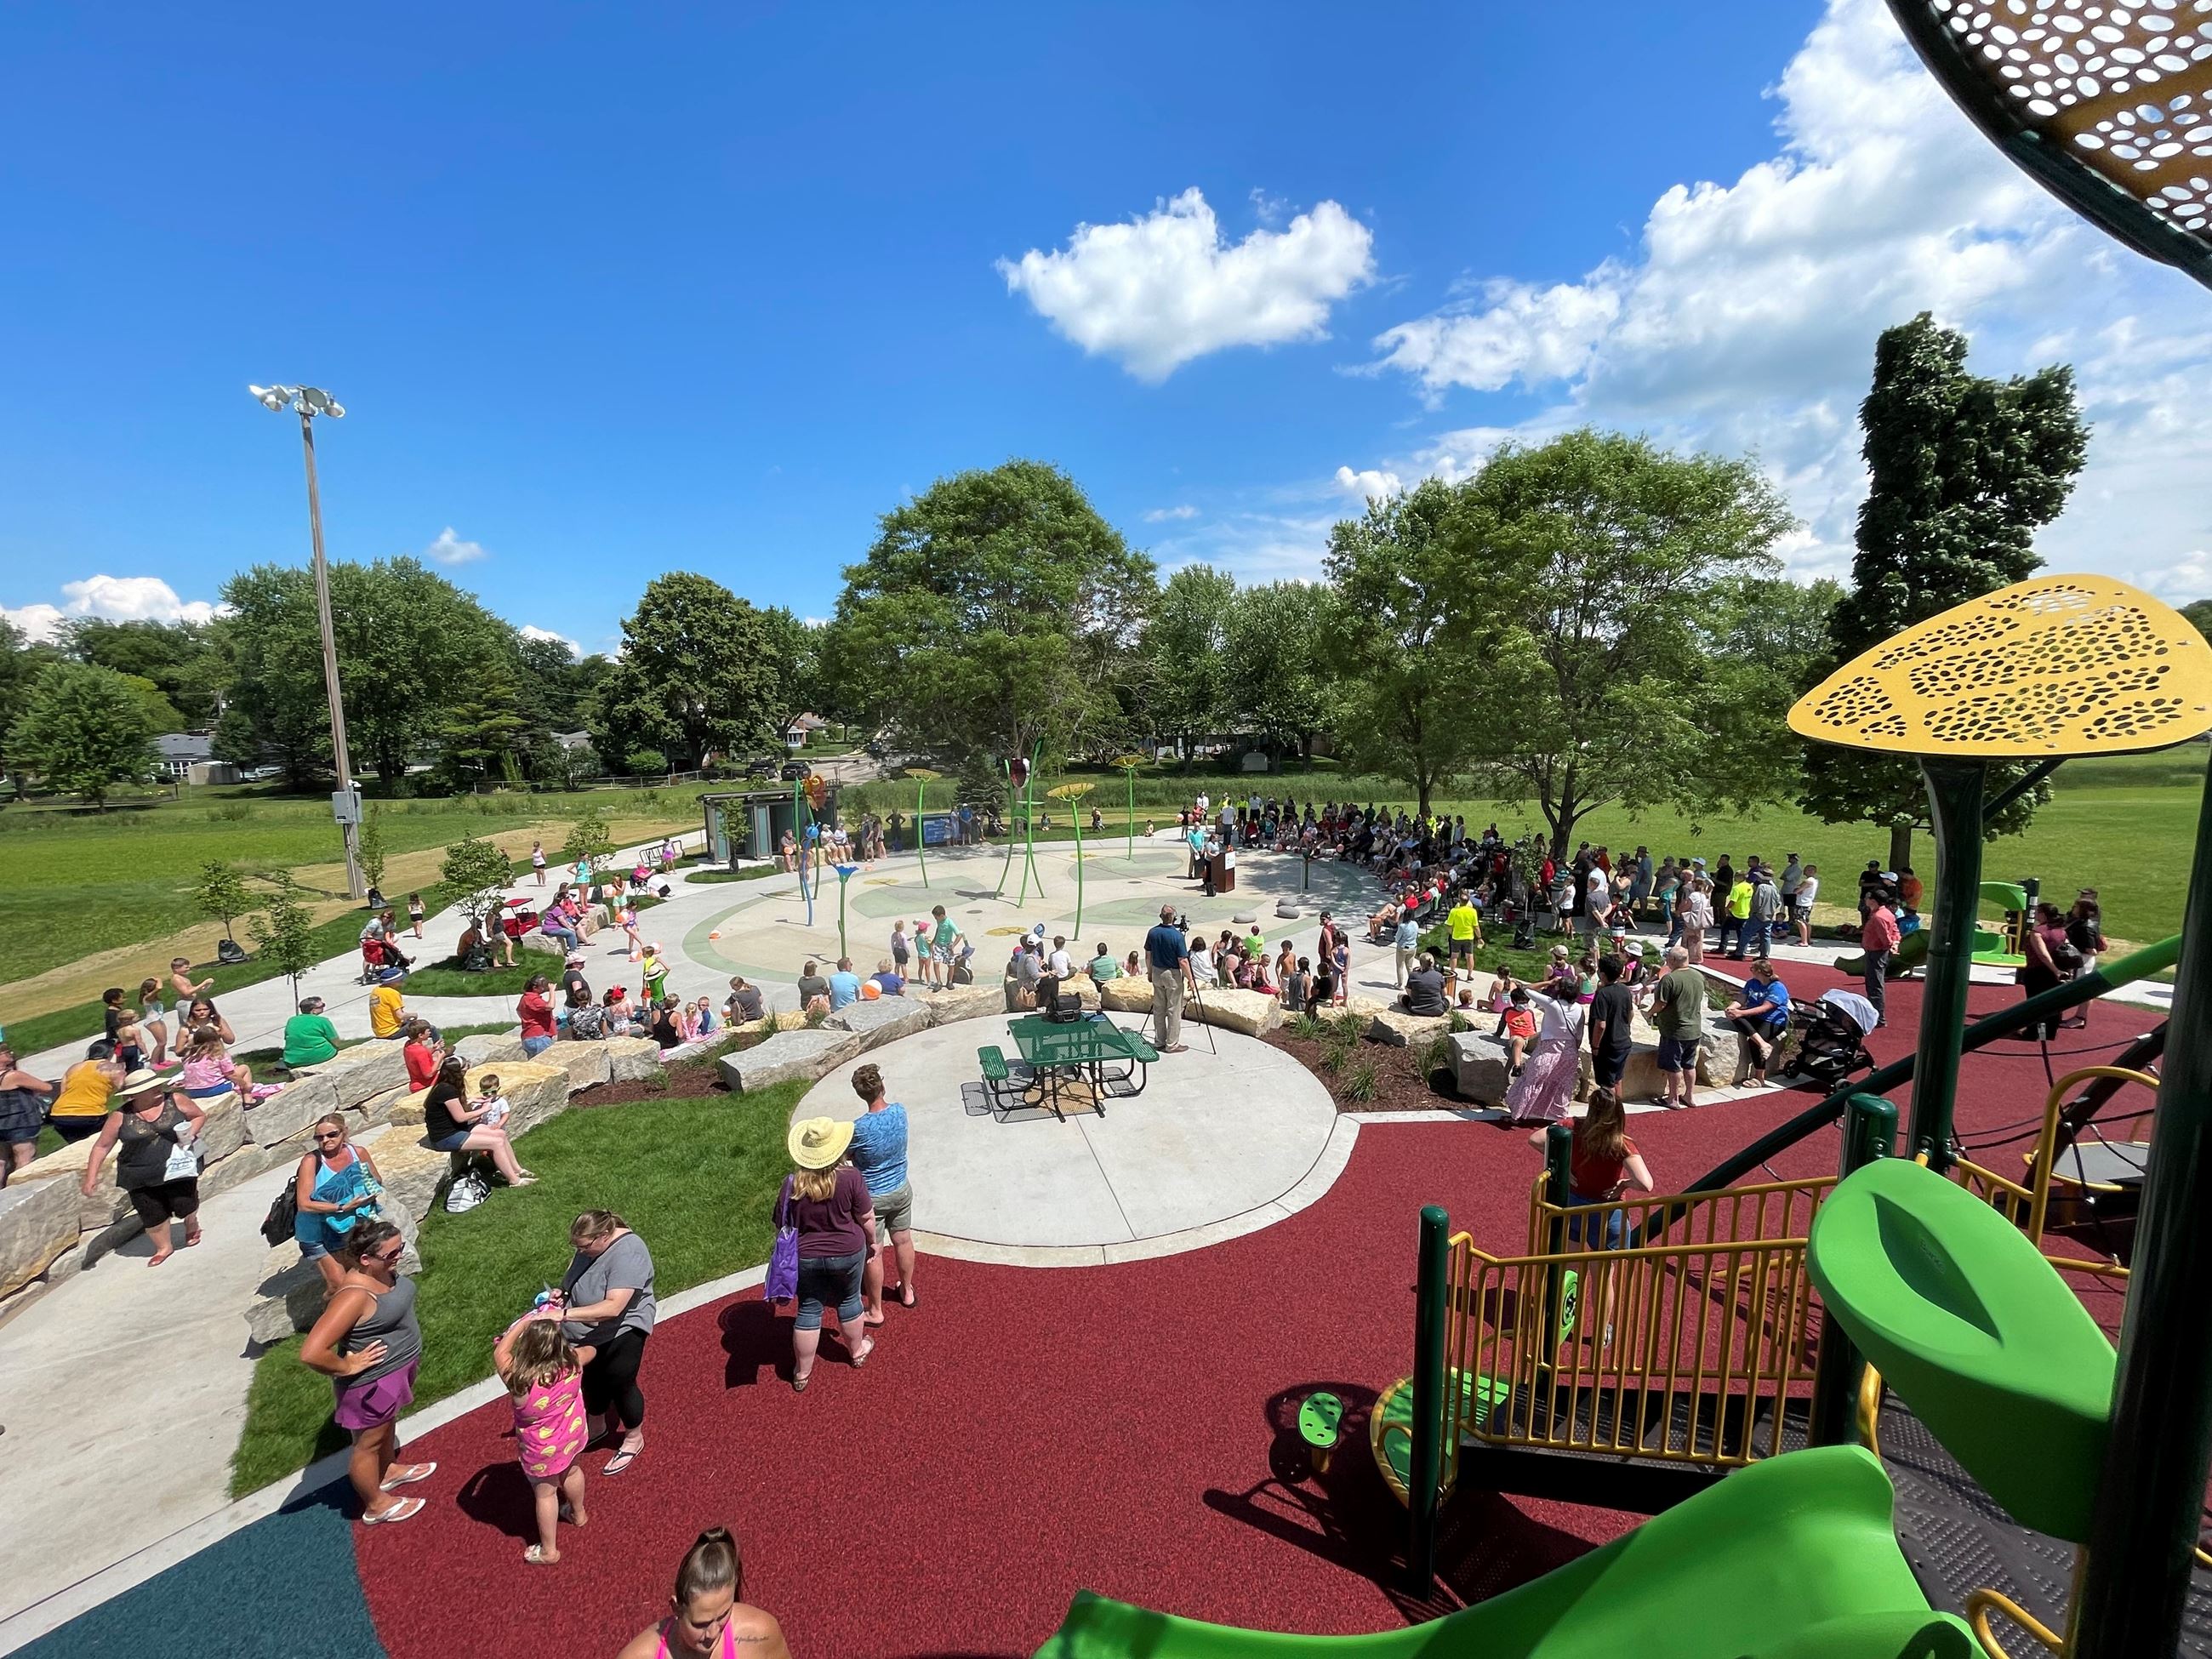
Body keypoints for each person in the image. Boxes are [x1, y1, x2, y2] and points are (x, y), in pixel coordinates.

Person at [298, 1219, 433, 1524]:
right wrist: (348, 1365)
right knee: (367, 1445)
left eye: (400, 1248)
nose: (399, 1256)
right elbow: (311, 1352)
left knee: (385, 1429)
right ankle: (375, 1505)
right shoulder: (354, 1295)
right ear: (365, 1259)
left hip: (395, 1371)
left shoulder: (382, 1273)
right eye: (391, 1254)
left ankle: (388, 1471)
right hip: (372, 1383)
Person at [780, 1117, 879, 1390]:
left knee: (809, 1309)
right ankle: (856, 1351)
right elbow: (867, 1216)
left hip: (806, 1257)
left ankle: (802, 1373)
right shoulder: (851, 1178)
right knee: (849, 1300)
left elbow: (781, 1223)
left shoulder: (791, 1185)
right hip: (848, 1251)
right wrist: (874, 1243)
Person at [560, 1209, 656, 1475]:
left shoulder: (629, 1253)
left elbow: (614, 1307)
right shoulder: (589, 1247)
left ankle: (634, 1438)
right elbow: (573, 1276)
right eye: (576, 1246)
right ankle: (597, 1425)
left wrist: (564, 1314)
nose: (580, 1251)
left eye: (584, 1246)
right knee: (589, 1377)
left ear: (604, 1235)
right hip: (585, 1330)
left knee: (620, 1382)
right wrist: (562, 1293)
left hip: (621, 1329)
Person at [491, 1313, 590, 1565]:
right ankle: (578, 1514)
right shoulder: (574, 1363)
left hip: (541, 1450)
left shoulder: (519, 1380)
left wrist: (524, 1323)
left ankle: (549, 1551)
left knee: (545, 1494)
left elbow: (501, 1351)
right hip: (572, 1435)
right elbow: (591, 1350)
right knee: (573, 1470)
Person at [615, 1526, 791, 1659]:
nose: (713, 1633)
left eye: (723, 1615)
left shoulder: (760, 1633)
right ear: (676, 1607)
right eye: (701, 1624)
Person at [1526, 1087, 1652, 1251]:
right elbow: (1646, 1183)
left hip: (1574, 1202)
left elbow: (1535, 1139)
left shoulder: (1572, 1126)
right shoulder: (1621, 1144)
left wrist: (1563, 1164)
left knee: (1571, 1266)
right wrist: (1624, 1184)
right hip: (1606, 1209)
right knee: (1602, 1269)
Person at [847, 1063, 916, 1319]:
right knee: (904, 1241)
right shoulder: (900, 1112)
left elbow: (847, 1155)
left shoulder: (859, 1128)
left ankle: (876, 1310)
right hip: (901, 1188)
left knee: (873, 1252)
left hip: (872, 1198)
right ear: (882, 1086)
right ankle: (907, 1291)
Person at [294, 1114, 385, 1289]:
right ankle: (328, 1315)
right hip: (317, 1232)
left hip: (349, 1227)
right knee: (338, 1286)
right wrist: (342, 1206)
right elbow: (304, 1204)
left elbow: (377, 1180)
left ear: (344, 1132)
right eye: (319, 1137)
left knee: (357, 1279)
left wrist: (360, 1187)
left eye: (332, 1134)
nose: (325, 1140)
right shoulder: (312, 1161)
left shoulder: (358, 1153)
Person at [422, 1055, 533, 1187]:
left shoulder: (446, 1086)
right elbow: (460, 1117)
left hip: (457, 1129)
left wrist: (471, 1100)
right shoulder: (447, 1090)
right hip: (446, 1137)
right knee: (495, 1143)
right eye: (465, 1066)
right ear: (458, 1072)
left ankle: (517, 1170)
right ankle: (514, 1181)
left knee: (500, 1134)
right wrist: (483, 1109)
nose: (468, 1067)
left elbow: (451, 1107)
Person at [1503, 986, 1585, 1124]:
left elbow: (1526, 990)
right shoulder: (1579, 1008)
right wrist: (1574, 1051)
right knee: (1560, 1086)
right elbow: (1579, 1034)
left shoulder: (1553, 1004)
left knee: (1532, 1081)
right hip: (1569, 1052)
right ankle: (1556, 1116)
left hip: (1549, 1051)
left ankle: (1517, 1116)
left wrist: (1550, 982)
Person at [1647, 944, 1705, 1109]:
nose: (1666, 960)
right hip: (1694, 1029)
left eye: (1668, 958)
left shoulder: (1669, 979)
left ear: (1673, 960)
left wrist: (1649, 1013)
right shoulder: (1698, 976)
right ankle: (1689, 1095)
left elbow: (1661, 1003)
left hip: (1675, 1031)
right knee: (1689, 1064)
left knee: (1674, 1066)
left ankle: (1673, 1098)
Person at [1722, 959, 1792, 1086]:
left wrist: (1742, 1013)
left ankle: (1759, 1078)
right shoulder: (1751, 983)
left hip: (1773, 1020)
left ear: (1759, 971)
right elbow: (1742, 999)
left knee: (1752, 1043)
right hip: (1756, 1016)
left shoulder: (1777, 987)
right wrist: (1732, 1008)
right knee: (1735, 1016)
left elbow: (1765, 1007)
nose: (1751, 971)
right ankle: (1763, 1044)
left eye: (1752, 969)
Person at [46, 1042, 124, 1145]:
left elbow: (63, 1092)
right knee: (102, 1143)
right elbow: (126, 1091)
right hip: (91, 1114)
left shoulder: (73, 1067)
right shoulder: (114, 1069)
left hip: (60, 1115)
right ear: (111, 1054)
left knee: (78, 1145)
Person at [0, 1046, 55, 1184]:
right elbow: (46, 1087)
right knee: (24, 1157)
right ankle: (20, 1190)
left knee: (1, 1161)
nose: (11, 1053)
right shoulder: (12, 1076)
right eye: (5, 1052)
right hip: (21, 1122)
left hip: (2, 1123)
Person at [1144, 904, 1194, 1054]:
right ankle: (1171, 1044)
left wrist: (1150, 972)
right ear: (1174, 918)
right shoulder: (1177, 936)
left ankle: (1159, 1041)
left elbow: (1148, 955)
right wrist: (1190, 979)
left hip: (1157, 972)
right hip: (1172, 974)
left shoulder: (1152, 932)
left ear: (1161, 916)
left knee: (1159, 1008)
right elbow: (1183, 961)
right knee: (1173, 1009)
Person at [1586, 956, 1636, 1093]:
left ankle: (1608, 1113)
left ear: (1602, 974)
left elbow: (1601, 1024)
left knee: (1607, 1085)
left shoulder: (1603, 995)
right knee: (1617, 1080)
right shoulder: (1625, 990)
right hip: (1623, 1041)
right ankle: (1617, 1112)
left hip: (1607, 1046)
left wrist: (1595, 1046)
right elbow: (1630, 1014)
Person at [1861, 883, 1901, 1029]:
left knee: (1874, 985)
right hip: (1877, 952)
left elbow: (1885, 937)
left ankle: (1878, 1017)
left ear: (1873, 900)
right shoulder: (1886, 913)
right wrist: (1895, 941)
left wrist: (1891, 944)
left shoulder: (1878, 917)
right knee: (1874, 984)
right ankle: (1875, 1014)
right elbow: (1895, 930)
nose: (1866, 899)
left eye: (1868, 897)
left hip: (1876, 953)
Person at [178, 1023, 250, 1098]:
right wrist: (245, 1085)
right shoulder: (219, 1054)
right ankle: (248, 1098)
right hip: (214, 1089)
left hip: (192, 1092)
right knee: (244, 1068)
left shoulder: (189, 1055)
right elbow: (231, 1075)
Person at [282, 997, 342, 1070]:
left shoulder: (291, 1020)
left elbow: (287, 1037)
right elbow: (335, 1040)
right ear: (313, 1011)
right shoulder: (323, 1021)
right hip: (320, 1056)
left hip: (293, 1059)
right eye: (322, 1006)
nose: (323, 1007)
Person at [516, 973, 556, 1058]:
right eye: (542, 986)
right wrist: (552, 991)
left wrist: (528, 1020)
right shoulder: (533, 999)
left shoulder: (525, 998)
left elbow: (518, 1010)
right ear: (534, 988)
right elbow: (550, 1006)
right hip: (539, 1038)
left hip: (529, 1037)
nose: (545, 988)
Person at [1399, 952, 1449, 1017]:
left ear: (1421, 963)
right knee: (1450, 999)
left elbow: (1409, 991)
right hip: (1437, 1010)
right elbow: (1444, 994)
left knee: (1400, 995)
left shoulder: (1413, 975)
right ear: (1433, 963)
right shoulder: (1439, 976)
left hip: (1415, 1009)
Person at [136, 978, 170, 1066]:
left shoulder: (153, 997)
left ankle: (162, 1060)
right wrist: (158, 979)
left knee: (164, 1042)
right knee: (161, 1043)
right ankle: (154, 1063)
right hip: (152, 1021)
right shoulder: (147, 998)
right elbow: (159, 988)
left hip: (158, 1019)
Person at [402, 1019, 442, 1092]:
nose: (430, 1033)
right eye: (428, 1031)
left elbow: (419, 1058)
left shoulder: (408, 1045)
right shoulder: (420, 1051)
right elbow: (429, 1074)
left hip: (415, 1084)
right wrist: (440, 1057)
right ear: (420, 1035)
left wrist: (433, 1049)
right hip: (425, 1086)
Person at [369, 975, 407, 1040]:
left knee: (411, 1023)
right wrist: (413, 1015)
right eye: (400, 980)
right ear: (393, 981)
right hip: (392, 1032)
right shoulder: (392, 993)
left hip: (379, 1032)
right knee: (424, 1026)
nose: (402, 981)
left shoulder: (376, 991)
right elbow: (400, 1016)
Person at [1792, 863, 1821, 948]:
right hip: (1808, 903)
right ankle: (1807, 939)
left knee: (1800, 921)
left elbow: (1796, 891)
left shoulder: (1808, 881)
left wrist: (1798, 888)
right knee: (1806, 921)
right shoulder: (1815, 881)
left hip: (1802, 903)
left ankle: (1804, 941)